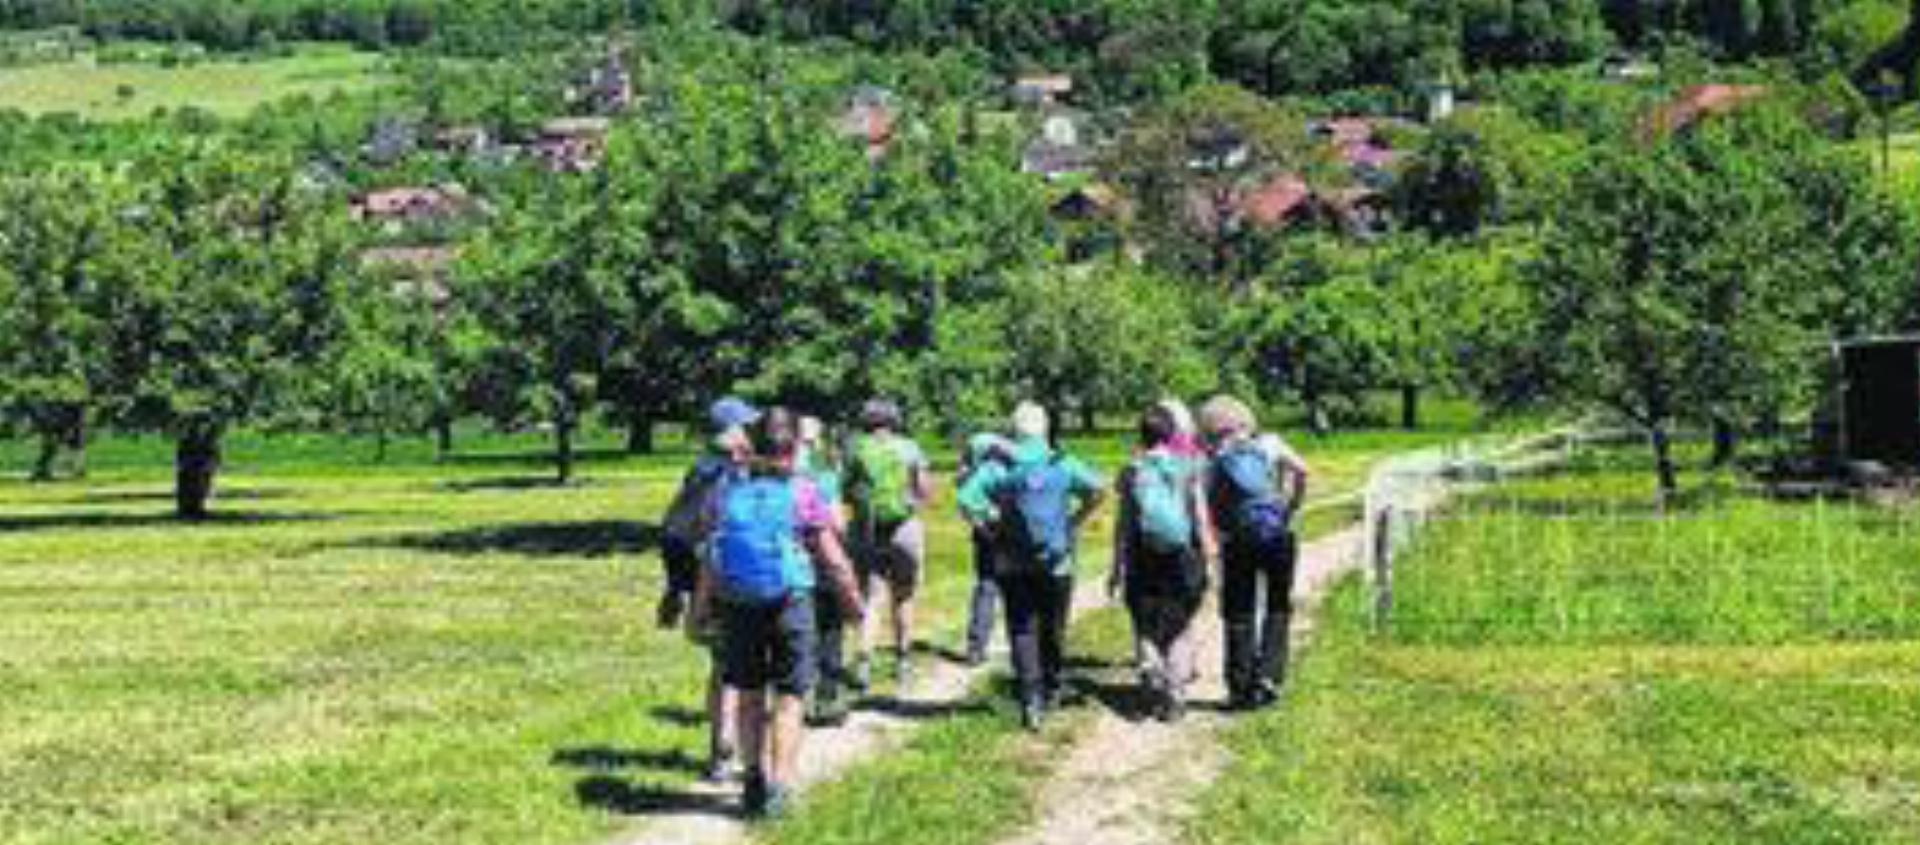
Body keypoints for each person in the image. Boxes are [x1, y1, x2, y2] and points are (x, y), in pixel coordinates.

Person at [688, 408, 864, 819]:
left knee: (749, 694)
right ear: (791, 448)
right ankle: (781, 787)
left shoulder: (726, 493)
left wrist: (699, 609)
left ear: (752, 448)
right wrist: (853, 600)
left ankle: (752, 778)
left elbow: (711, 558)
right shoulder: (804, 492)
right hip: (791, 601)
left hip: (737, 604)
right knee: (789, 696)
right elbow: (834, 559)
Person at [958, 402, 1105, 730]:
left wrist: (988, 529)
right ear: (1045, 428)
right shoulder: (1061, 461)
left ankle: (1030, 698)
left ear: (1014, 430)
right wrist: (1074, 521)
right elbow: (1098, 488)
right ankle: (1052, 687)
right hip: (1058, 561)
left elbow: (965, 500)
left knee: (1022, 627)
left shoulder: (1001, 465)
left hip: (1012, 561)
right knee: (1053, 625)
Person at [662, 397, 758, 782]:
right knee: (742, 668)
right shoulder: (741, 472)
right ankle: (734, 749)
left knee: (722, 666)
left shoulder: (698, 471)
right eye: (746, 425)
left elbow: (673, 531)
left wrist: (675, 589)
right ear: (731, 431)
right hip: (737, 578)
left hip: (706, 580)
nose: (752, 431)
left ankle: (720, 749)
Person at [1199, 395, 1310, 710]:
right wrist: (1290, 507)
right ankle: (1269, 678)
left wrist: (1218, 536)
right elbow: (1304, 471)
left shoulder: (1215, 457)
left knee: (1238, 612)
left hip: (1238, 540)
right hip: (1277, 534)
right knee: (1278, 607)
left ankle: (1239, 687)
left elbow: (1208, 502)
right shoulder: (1271, 443)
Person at [1110, 404, 1218, 722]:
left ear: (1141, 435)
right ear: (1172, 433)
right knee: (1180, 625)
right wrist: (1210, 557)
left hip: (1143, 557)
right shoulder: (1189, 467)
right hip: (1182, 557)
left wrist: (1117, 567)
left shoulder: (1130, 471)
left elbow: (1125, 524)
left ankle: (1151, 667)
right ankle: (1176, 695)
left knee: (1145, 622)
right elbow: (1199, 517)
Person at [843, 399, 931, 688]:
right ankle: (903, 661)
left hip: (865, 531)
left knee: (871, 596)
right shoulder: (910, 448)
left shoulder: (854, 448)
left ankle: (864, 664)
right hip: (904, 530)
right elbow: (924, 491)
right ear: (894, 420)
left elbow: (845, 491)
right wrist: (913, 501)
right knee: (904, 595)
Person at [797, 416, 854, 726]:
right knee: (829, 628)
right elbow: (837, 524)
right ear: (816, 440)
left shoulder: (768, 469)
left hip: (783, 564)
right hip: (818, 562)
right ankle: (828, 696)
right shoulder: (824, 475)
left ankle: (794, 698)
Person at [959, 431, 1015, 666]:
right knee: (1017, 590)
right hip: (1016, 530)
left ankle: (976, 647)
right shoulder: (1019, 458)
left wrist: (979, 524)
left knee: (986, 585)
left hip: (986, 530)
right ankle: (1023, 649)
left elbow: (963, 490)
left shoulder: (978, 445)